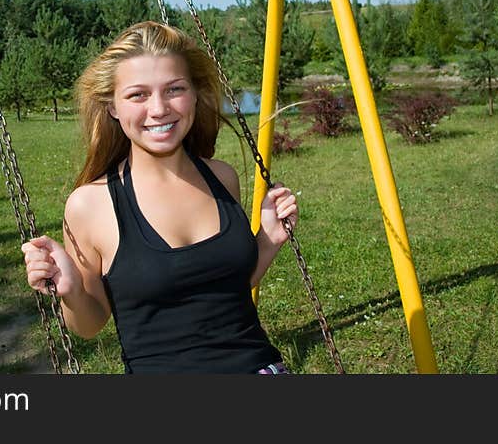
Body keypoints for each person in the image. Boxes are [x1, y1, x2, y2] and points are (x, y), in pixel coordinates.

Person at [22, 20, 298, 374]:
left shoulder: (221, 177)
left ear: (195, 93)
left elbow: (227, 288)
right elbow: (88, 325)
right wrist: (72, 290)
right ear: (112, 106)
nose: (159, 109)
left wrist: (269, 240)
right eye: (138, 94)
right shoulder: (91, 205)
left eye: (174, 89)